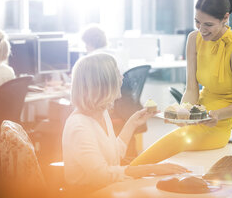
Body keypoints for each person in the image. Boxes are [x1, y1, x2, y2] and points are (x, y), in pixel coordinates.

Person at [130, 0, 232, 166]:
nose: (201, 30)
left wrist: (217, 114)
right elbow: (191, 87)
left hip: (217, 125)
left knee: (170, 143)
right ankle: (128, 175)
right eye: (197, 22)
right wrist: (184, 114)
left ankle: (128, 173)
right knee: (170, 143)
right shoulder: (193, 39)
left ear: (225, 18)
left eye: (208, 25)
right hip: (198, 114)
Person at [62, 53, 188, 192]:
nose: (122, 78)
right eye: (117, 74)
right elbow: (102, 175)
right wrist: (151, 169)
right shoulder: (79, 125)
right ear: (104, 84)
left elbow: (114, 157)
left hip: (108, 188)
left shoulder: (101, 112)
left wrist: (132, 123)